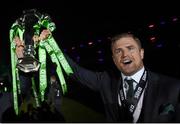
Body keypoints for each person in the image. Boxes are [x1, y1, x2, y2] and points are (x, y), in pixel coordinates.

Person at [61, 32, 180, 122]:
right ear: (114, 59)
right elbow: (75, 72)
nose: (125, 55)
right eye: (118, 51)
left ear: (141, 53)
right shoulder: (105, 80)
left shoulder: (173, 86)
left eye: (130, 48)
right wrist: (51, 43)